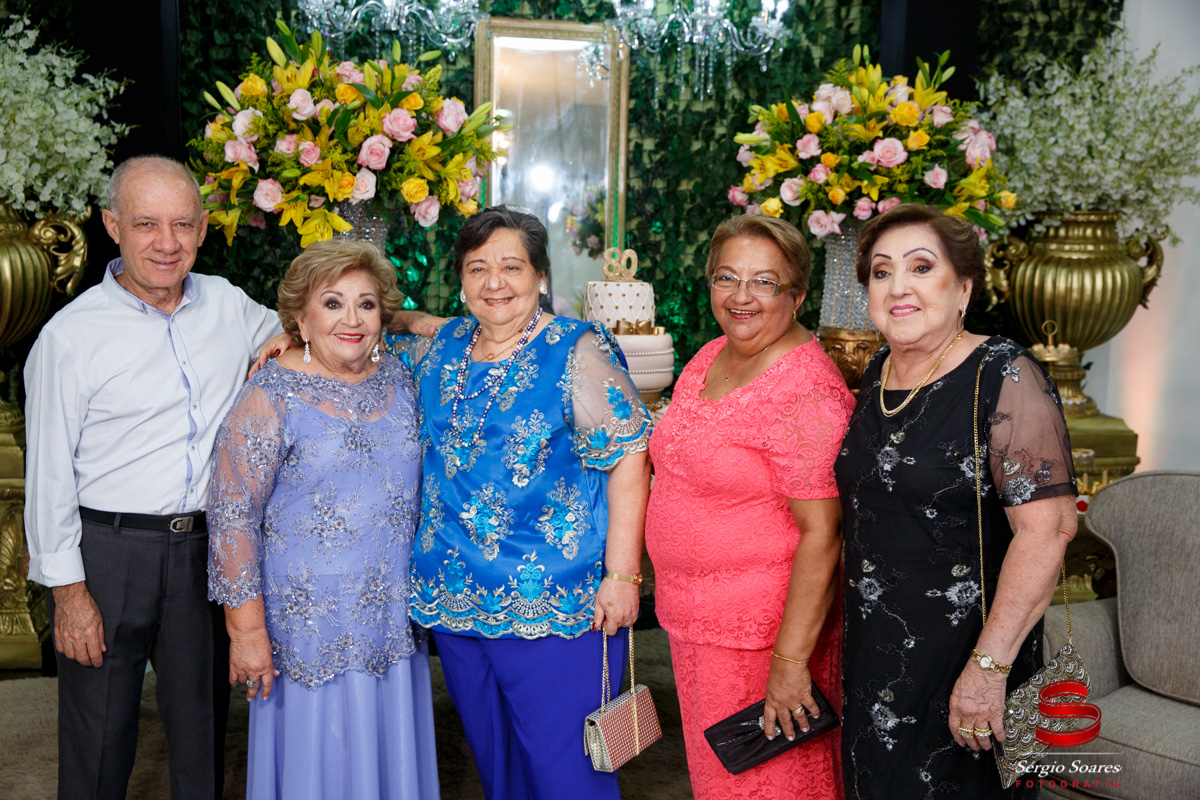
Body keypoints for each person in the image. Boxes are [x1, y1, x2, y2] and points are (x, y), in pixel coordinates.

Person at [23, 155, 283, 800]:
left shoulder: (228, 304)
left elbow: (311, 326)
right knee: (99, 736)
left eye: (182, 224)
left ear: (202, 229)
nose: (167, 243)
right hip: (108, 555)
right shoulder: (69, 337)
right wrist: (69, 595)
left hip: (203, 550)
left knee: (202, 730)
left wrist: (288, 341)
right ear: (113, 226)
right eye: (146, 224)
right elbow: (48, 476)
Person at [390, 205, 652, 800]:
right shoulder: (444, 345)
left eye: (511, 267)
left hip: (556, 605)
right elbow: (358, 328)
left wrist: (622, 576)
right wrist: (295, 333)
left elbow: (630, 458)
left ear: (540, 275)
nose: (494, 283)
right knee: (498, 767)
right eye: (477, 268)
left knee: (569, 775)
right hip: (454, 599)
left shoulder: (575, 350)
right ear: (460, 279)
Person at [834, 204, 1077, 799]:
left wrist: (987, 671)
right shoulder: (878, 371)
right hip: (877, 662)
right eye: (882, 272)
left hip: (971, 665)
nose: (899, 287)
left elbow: (1048, 531)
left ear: (964, 286)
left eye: (921, 267)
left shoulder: (1005, 375)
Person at [207, 240, 438, 800]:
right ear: (299, 318)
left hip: (391, 619)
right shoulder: (269, 393)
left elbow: (477, 328)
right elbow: (233, 518)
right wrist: (246, 633)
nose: (351, 319)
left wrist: (406, 318)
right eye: (332, 304)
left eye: (366, 304)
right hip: (306, 628)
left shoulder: (400, 372)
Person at [644, 214, 854, 799]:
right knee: (719, 782)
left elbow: (825, 535)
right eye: (727, 277)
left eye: (764, 282)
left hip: (761, 639)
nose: (742, 296)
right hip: (694, 623)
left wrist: (790, 663)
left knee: (769, 785)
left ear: (798, 295)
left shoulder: (806, 390)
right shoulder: (712, 354)